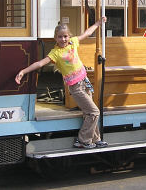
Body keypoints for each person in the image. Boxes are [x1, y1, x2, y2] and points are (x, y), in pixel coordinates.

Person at [15, 17, 108, 149]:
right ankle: (82, 140)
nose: (63, 39)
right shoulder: (56, 53)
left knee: (88, 112)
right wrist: (24, 71)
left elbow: (86, 33)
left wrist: (98, 23)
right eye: (60, 37)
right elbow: (40, 63)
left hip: (84, 82)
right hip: (76, 88)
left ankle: (95, 138)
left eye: (65, 36)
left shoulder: (73, 42)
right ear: (55, 38)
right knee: (94, 112)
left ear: (69, 36)